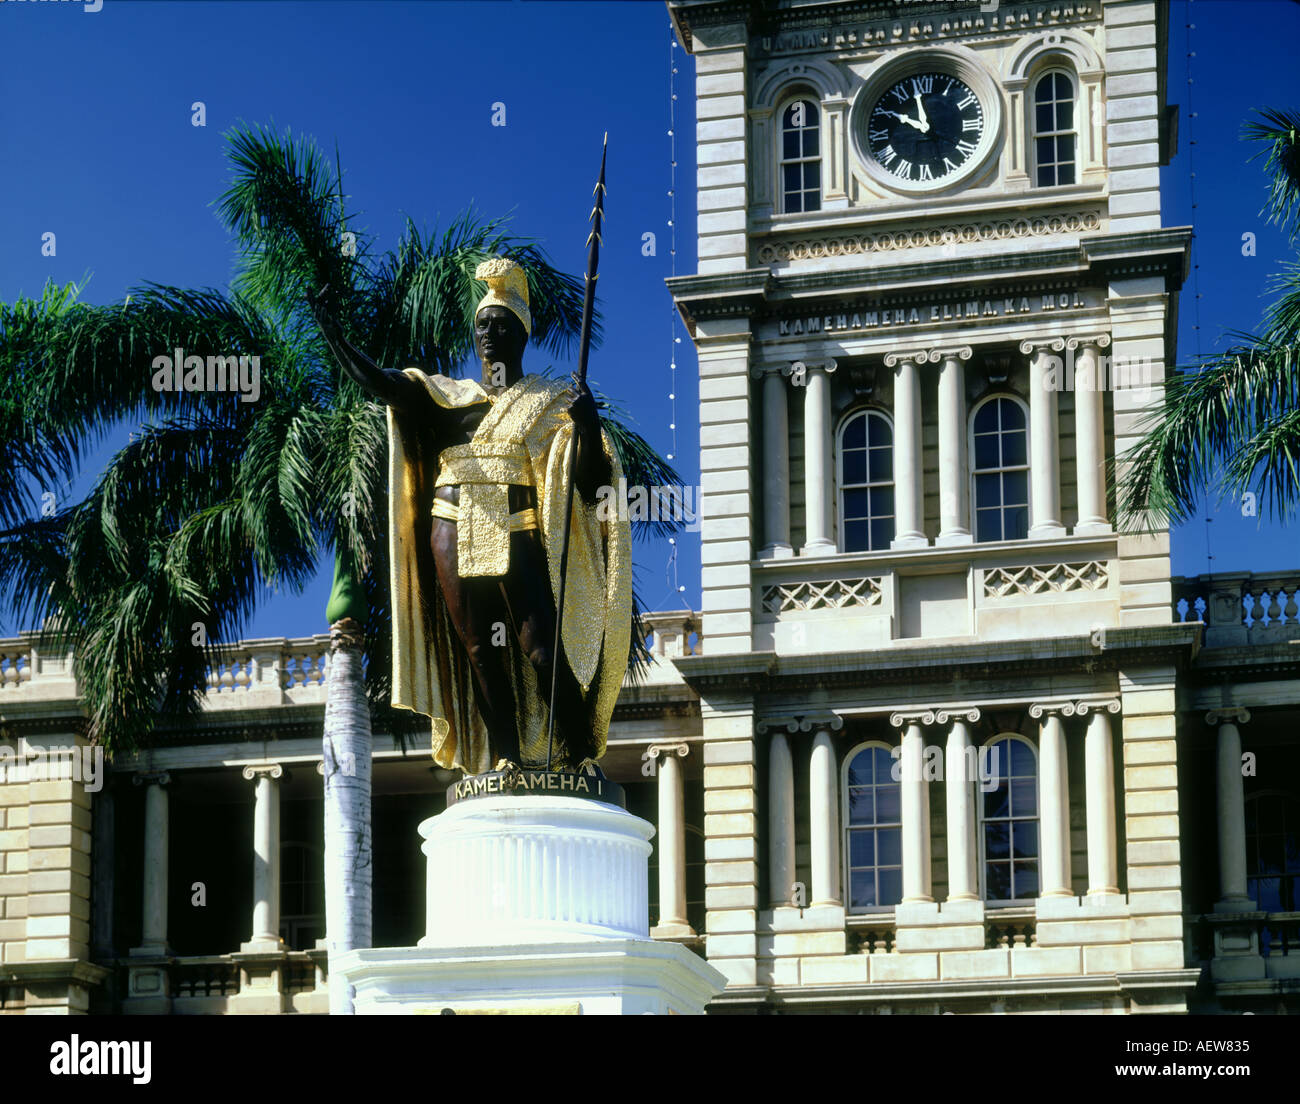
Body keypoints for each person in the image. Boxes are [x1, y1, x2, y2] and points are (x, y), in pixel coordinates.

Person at [310, 256, 631, 775]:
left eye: (501, 325)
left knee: (540, 647)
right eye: (482, 325)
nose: (489, 334)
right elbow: (382, 383)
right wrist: (334, 335)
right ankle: (503, 757)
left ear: (521, 336)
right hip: (449, 523)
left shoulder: (548, 403)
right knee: (479, 648)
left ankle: (577, 755)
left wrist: (588, 428)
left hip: (517, 522)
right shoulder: (445, 396)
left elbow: (592, 487)